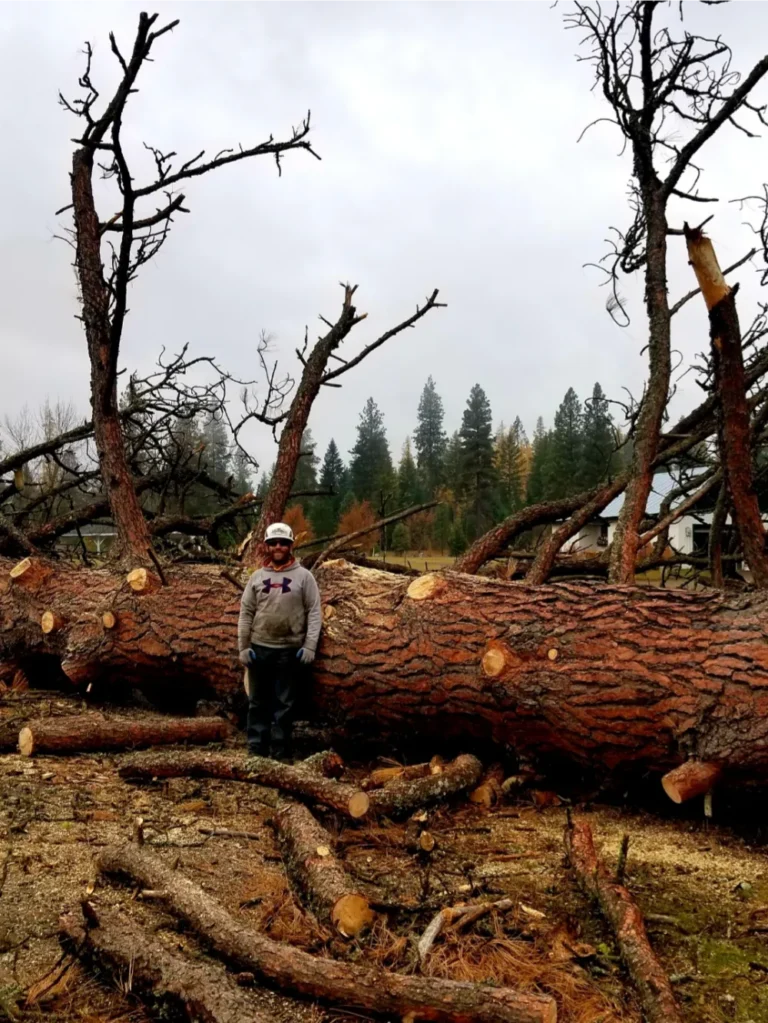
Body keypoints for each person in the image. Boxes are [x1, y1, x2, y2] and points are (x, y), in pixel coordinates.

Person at [237, 522, 322, 759]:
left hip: (289, 651)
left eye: (283, 543)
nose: (278, 547)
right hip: (259, 648)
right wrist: (243, 647)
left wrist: (310, 646)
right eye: (273, 543)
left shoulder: (304, 577)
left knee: (284, 704)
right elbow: (246, 613)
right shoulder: (257, 577)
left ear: (290, 545)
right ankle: (256, 750)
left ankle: (280, 752)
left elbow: (314, 612)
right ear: (266, 546)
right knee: (257, 702)